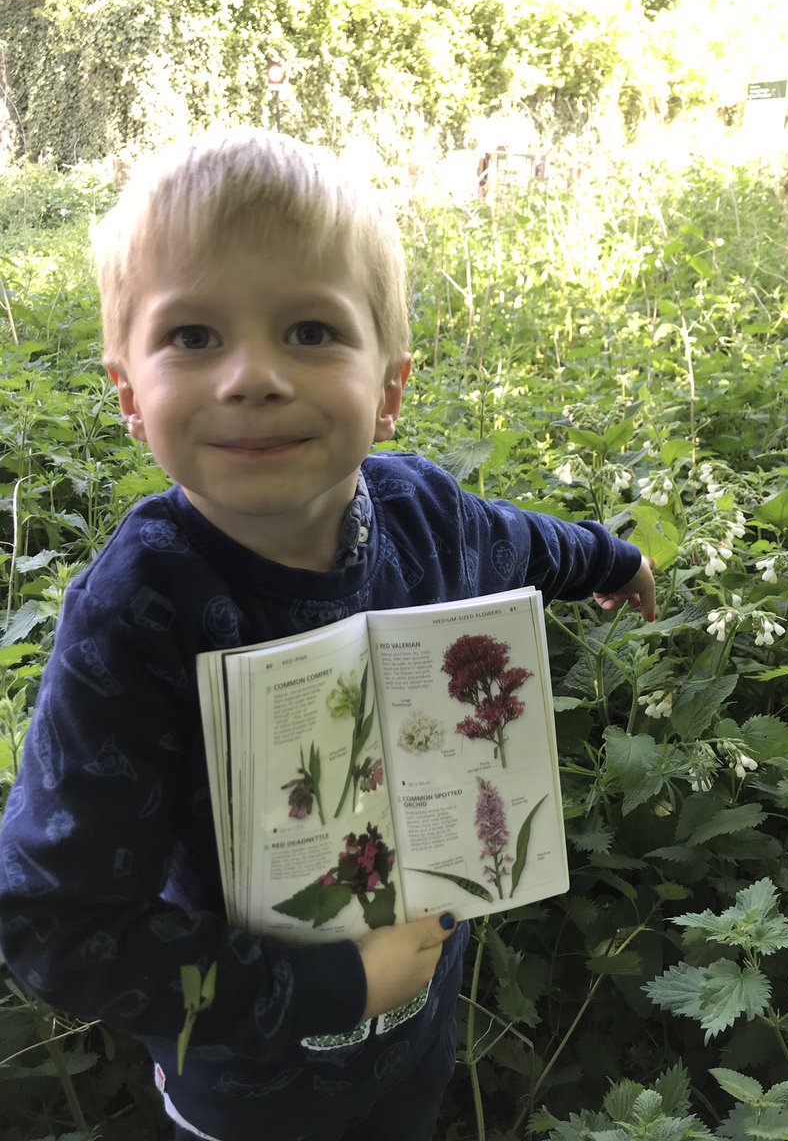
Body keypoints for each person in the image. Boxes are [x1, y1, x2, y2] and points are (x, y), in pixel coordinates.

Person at [0, 128, 656, 1141]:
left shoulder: (427, 514)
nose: (253, 375)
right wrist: (330, 987)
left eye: (310, 330)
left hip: (422, 1031)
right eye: (192, 337)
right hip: (250, 1092)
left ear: (389, 386)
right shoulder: (138, 615)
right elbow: (58, 927)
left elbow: (517, 540)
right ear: (128, 393)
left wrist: (609, 561)